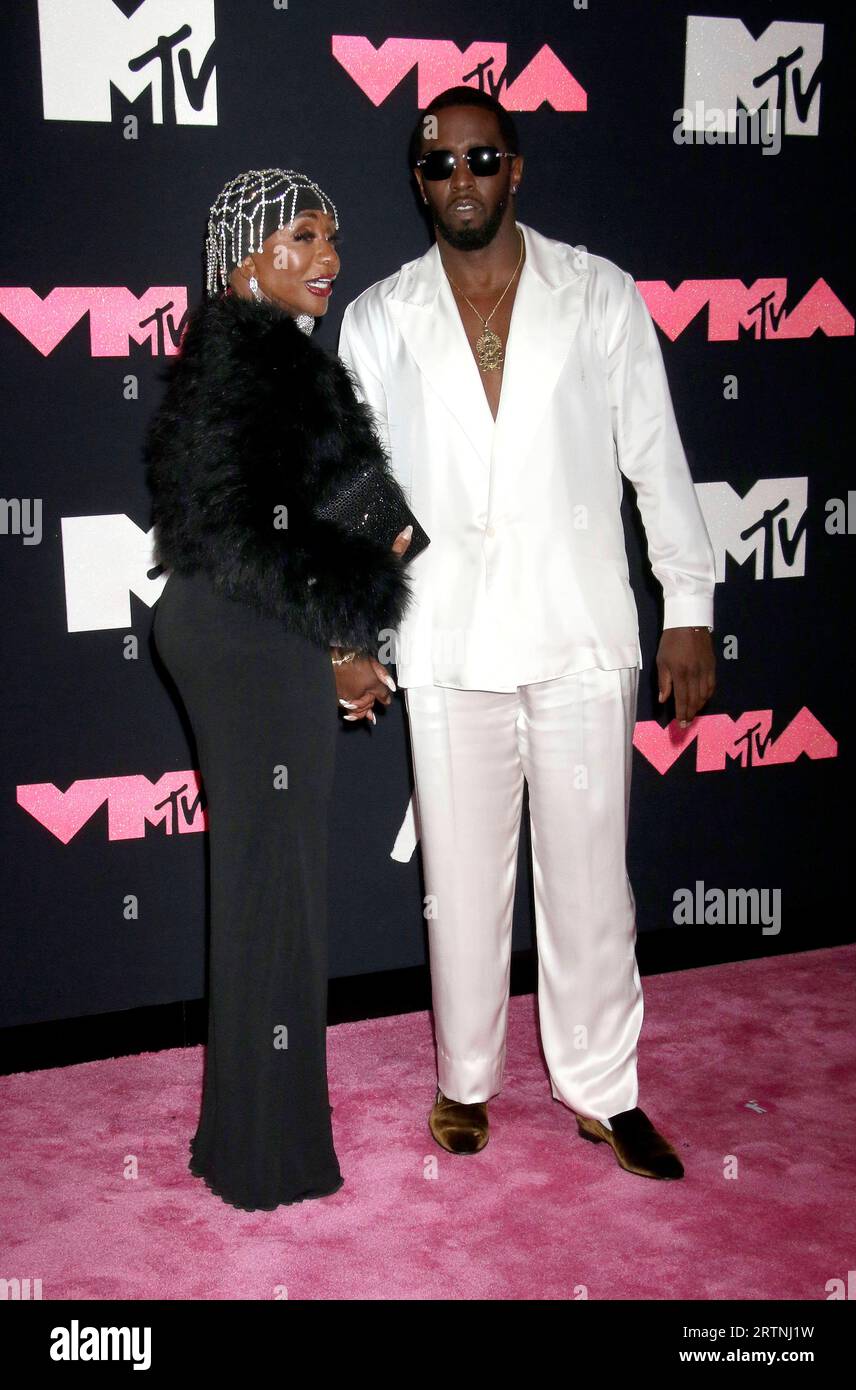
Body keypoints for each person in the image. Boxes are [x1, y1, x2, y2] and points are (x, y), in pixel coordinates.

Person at [337, 90, 717, 1180]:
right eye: (440, 163)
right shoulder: (378, 318)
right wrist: (349, 628)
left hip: (581, 628)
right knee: (458, 881)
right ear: (419, 182)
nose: (462, 178)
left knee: (593, 878)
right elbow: (356, 490)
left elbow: (655, 454)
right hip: (447, 638)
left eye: (482, 157)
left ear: (518, 169)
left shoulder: (598, 294)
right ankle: (465, 1076)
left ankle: (604, 1087)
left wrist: (686, 603)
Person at [145, 168, 414, 1211]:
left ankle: (243, 1135)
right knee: (276, 890)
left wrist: (357, 614)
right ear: (248, 254)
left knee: (271, 885)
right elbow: (238, 532)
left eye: (333, 236)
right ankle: (267, 1154)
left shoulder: (272, 360)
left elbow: (360, 510)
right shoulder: (248, 363)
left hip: (254, 629)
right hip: (250, 634)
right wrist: (338, 637)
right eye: (302, 237)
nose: (329, 260)